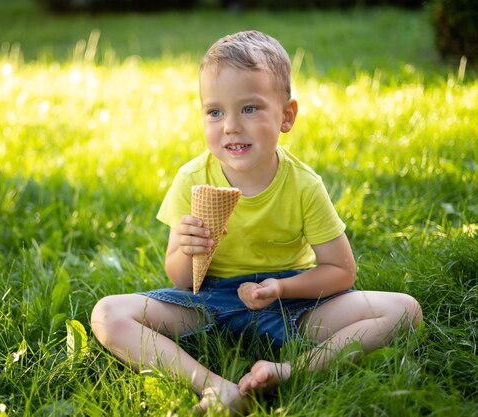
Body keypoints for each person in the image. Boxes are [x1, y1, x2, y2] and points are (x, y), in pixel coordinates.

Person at [90, 30, 423, 415]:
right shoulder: (192, 179)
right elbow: (180, 279)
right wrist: (187, 248)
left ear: (286, 116)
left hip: (291, 305)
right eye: (215, 112)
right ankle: (213, 386)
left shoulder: (303, 185)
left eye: (249, 108)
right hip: (207, 301)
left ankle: (289, 370)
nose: (230, 125)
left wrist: (280, 288)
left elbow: (341, 271)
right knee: (108, 314)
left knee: (405, 309)